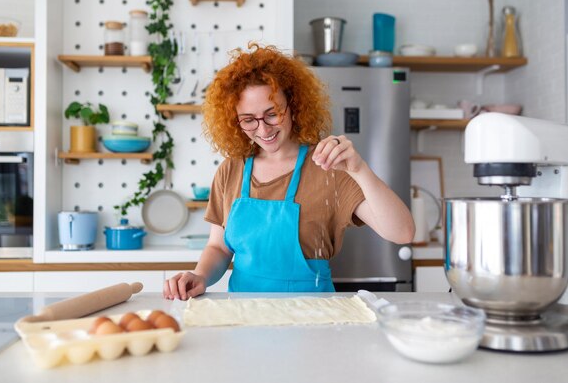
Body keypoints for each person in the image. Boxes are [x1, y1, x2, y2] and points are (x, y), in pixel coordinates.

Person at [163, 43, 414, 300]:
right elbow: (218, 247)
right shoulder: (231, 169)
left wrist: (359, 169)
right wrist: (201, 275)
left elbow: (402, 232)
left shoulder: (328, 166)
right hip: (244, 316)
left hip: (313, 318)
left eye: (272, 114)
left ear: (293, 105)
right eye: (249, 119)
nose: (263, 130)